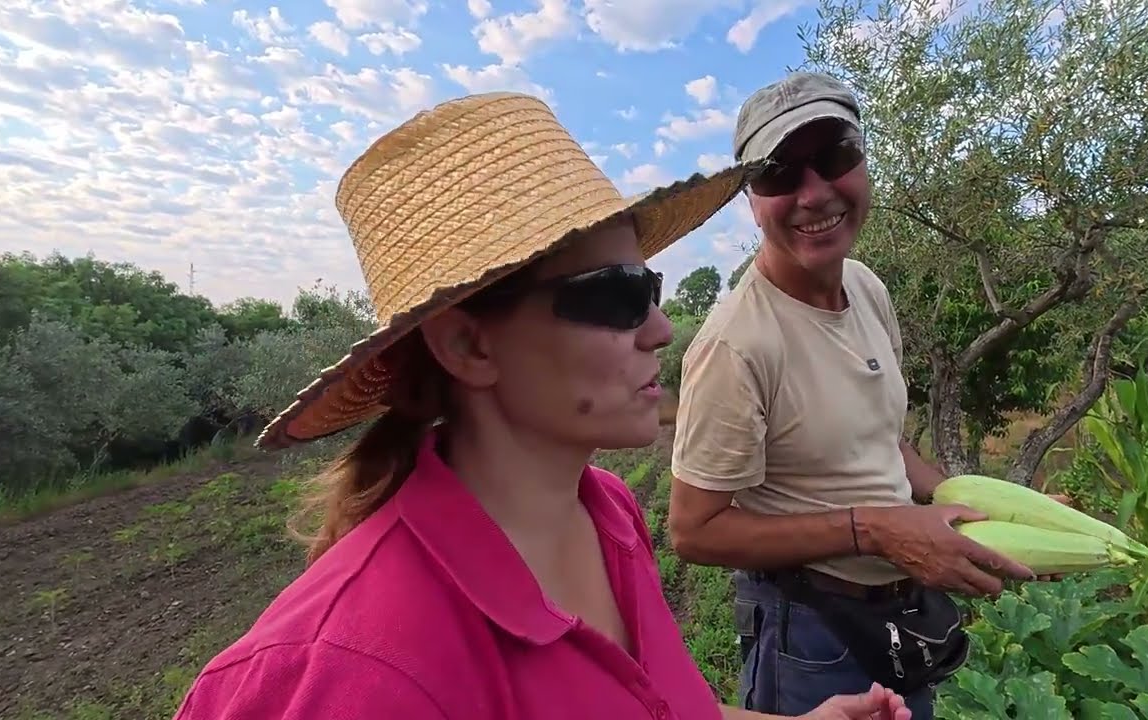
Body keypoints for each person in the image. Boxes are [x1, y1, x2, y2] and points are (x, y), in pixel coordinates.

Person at [170, 91, 911, 720]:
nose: (660, 330)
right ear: (469, 347)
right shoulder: (353, 671)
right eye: (616, 296)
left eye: (650, 289)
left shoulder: (607, 514)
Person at [665, 72, 1071, 719]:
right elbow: (694, 532)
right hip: (810, 635)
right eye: (779, 173)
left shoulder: (865, 287)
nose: (814, 193)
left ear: (862, 161)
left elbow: (882, 442)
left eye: (834, 155)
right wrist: (875, 530)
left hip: (899, 620)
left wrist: (996, 517)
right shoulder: (736, 345)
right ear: (751, 197)